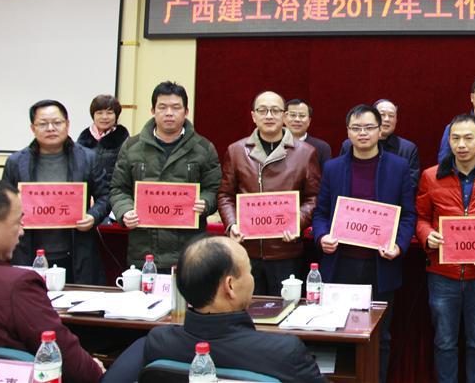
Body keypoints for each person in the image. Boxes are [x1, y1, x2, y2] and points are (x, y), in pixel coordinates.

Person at [105, 235, 324, 382]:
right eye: (248, 271)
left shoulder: (157, 342)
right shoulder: (285, 351)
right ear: (230, 286)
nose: (252, 278)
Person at [312, 104, 417, 383]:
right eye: (356, 128)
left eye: (369, 127)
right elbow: (321, 213)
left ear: (380, 130)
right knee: (338, 331)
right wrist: (322, 237)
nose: (363, 133)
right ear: (348, 132)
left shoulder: (398, 167)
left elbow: (408, 214)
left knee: (380, 337)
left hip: (380, 266)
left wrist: (399, 245)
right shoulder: (333, 168)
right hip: (341, 266)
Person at [0, 178, 104, 382]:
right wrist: (95, 369)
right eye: (17, 222)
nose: (21, 232)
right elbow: (71, 362)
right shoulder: (18, 285)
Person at [416, 113, 475, 383]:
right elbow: (421, 218)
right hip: (442, 275)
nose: (461, 144)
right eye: (455, 138)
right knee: (444, 342)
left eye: (468, 138)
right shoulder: (431, 176)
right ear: (448, 141)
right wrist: (427, 236)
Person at [218, 91, 321, 295]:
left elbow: (313, 197)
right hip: (246, 249)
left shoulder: (305, 152)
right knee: (248, 308)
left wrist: (297, 222)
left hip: (286, 250)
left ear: (284, 116)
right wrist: (232, 224)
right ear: (253, 116)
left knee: (286, 309)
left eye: (275, 110)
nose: (269, 116)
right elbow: (225, 195)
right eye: (262, 110)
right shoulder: (236, 151)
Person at [110, 81, 222, 268]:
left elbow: (214, 188)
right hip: (145, 250)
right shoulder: (132, 147)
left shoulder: (203, 148)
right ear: (153, 110)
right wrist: (125, 210)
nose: (169, 113)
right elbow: (118, 188)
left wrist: (205, 202)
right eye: (162, 107)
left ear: (186, 111)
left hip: (190, 251)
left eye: (176, 107)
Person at [2, 99, 109, 284]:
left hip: (76, 253)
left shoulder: (88, 158)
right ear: (32, 128)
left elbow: (105, 196)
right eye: (43, 124)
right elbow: (4, 202)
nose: (50, 128)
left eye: (57, 122)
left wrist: (92, 216)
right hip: (28, 252)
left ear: (67, 124)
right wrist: (15, 218)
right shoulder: (16, 162)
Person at [342, 99, 421, 189]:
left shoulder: (408, 149)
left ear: (396, 120)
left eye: (391, 116)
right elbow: (342, 177)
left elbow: (411, 185)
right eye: (382, 114)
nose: (387, 119)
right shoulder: (350, 144)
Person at [76, 94, 130, 186]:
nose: (104, 117)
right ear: (93, 115)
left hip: (114, 190)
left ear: (116, 116)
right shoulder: (83, 138)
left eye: (109, 113)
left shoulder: (124, 139)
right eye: (99, 113)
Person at [285, 98, 333, 169]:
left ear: (309, 121)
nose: (297, 119)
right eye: (292, 115)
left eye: (302, 116)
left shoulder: (322, 148)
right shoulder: (275, 144)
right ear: (284, 118)